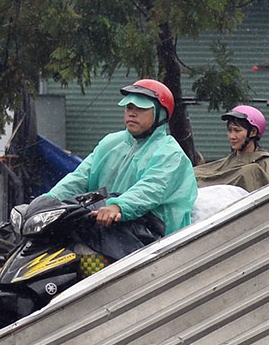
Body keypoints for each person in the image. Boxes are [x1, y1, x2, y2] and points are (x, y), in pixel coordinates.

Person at [46, 78, 197, 259]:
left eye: (140, 108)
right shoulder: (111, 143)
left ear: (160, 114)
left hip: (153, 237)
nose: (132, 114)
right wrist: (48, 201)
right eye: (129, 108)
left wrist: (118, 207)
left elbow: (151, 188)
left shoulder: (170, 153)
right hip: (107, 225)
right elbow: (79, 177)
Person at [194, 104, 269, 191]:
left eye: (237, 130)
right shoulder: (226, 162)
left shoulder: (266, 162)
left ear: (253, 132)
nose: (232, 136)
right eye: (230, 130)